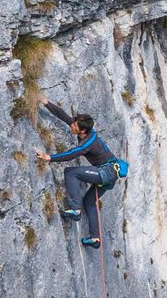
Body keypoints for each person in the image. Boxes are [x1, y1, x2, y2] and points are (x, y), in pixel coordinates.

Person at [35, 97, 127, 248]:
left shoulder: (87, 143)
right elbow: (63, 115)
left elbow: (72, 153)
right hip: (110, 174)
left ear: (82, 130)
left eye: (74, 125)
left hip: (106, 172)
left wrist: (49, 157)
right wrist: (46, 103)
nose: (71, 125)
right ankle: (95, 238)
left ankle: (75, 210)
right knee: (89, 202)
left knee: (71, 172)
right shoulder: (84, 131)